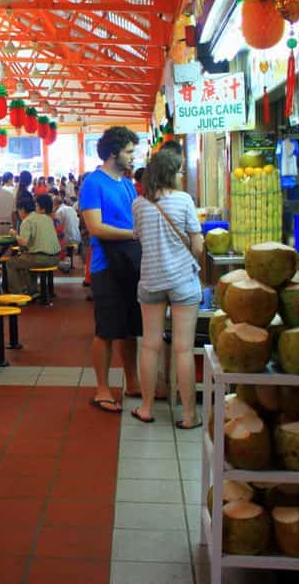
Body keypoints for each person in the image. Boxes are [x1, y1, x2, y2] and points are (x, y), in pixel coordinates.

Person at [131, 150, 204, 429]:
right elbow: (197, 245)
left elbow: (138, 237)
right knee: (183, 349)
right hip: (183, 281)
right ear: (171, 173)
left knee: (150, 345)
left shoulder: (139, 204)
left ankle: (147, 408)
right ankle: (188, 415)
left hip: (151, 280)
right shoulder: (184, 200)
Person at [80, 126, 144, 413]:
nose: (133, 157)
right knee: (106, 330)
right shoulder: (93, 184)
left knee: (130, 329)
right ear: (113, 152)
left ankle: (132, 381)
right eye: (129, 151)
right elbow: (95, 227)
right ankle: (102, 389)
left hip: (129, 263)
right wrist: (133, 234)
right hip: (106, 266)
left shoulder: (126, 183)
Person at [7, 195, 62, 297]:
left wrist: (14, 234)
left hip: (42, 259)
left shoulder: (27, 221)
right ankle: (32, 290)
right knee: (26, 258)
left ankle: (18, 295)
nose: (18, 214)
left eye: (18, 211)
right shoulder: (46, 217)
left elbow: (23, 242)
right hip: (56, 257)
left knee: (10, 263)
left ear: (22, 209)